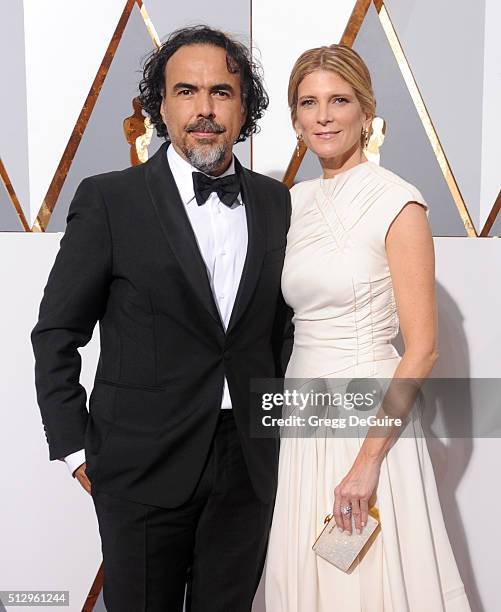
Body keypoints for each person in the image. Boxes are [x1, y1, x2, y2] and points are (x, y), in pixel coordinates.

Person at [31, 25, 292, 611]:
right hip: (140, 462)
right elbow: (56, 332)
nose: (204, 109)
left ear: (244, 105)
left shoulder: (277, 204)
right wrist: (75, 450)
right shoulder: (109, 199)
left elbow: (281, 335)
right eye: (186, 91)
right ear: (161, 105)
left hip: (247, 462)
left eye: (221, 92)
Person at [264, 44, 471, 611]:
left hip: (368, 421)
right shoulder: (290, 203)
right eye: (308, 103)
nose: (323, 115)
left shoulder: (399, 203)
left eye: (338, 100)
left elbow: (422, 350)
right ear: (296, 118)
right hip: (303, 411)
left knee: (370, 583)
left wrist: (368, 459)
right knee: (308, 577)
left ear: (366, 110)